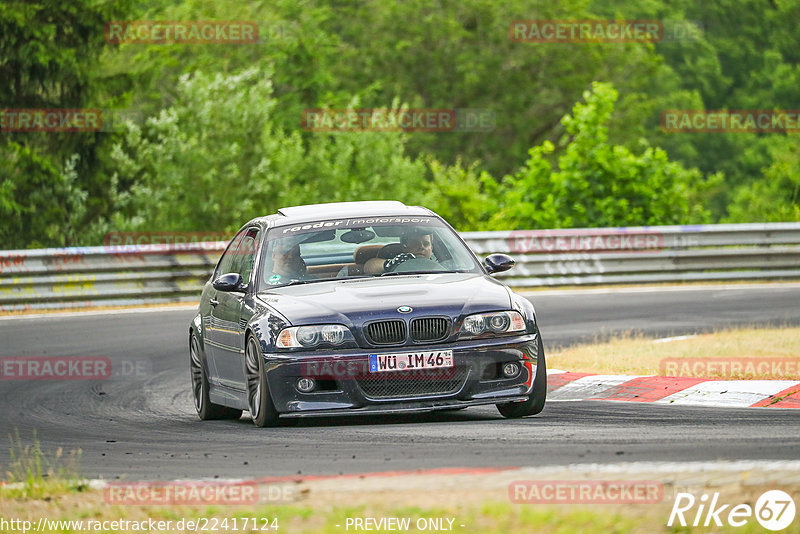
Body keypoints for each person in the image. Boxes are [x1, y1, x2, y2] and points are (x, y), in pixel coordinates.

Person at [363, 229, 435, 274]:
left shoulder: (441, 267)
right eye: (415, 243)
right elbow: (369, 266)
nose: (421, 247)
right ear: (404, 247)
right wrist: (391, 264)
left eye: (426, 244)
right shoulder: (396, 263)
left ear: (431, 248)